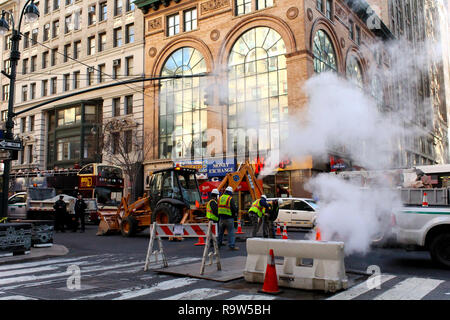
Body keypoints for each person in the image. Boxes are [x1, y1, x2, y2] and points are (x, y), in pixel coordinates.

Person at [217, 186, 239, 250]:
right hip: (229, 218)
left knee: (220, 232)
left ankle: (218, 244)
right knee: (231, 232)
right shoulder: (230, 198)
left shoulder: (220, 198)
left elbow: (218, 207)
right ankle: (231, 245)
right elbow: (233, 208)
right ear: (230, 192)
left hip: (221, 218)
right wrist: (235, 215)